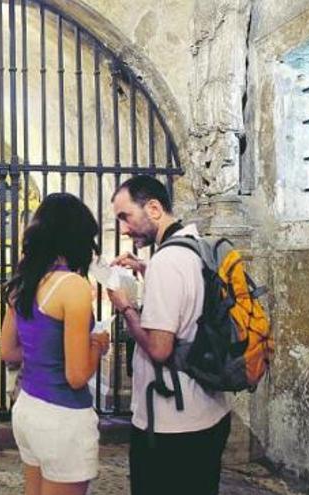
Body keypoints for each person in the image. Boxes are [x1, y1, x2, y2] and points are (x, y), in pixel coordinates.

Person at [107, 175, 231, 495]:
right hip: (209, 411)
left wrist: (126, 309)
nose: (123, 228)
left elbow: (160, 349)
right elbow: (192, 298)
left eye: (125, 216)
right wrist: (146, 269)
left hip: (173, 425)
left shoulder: (166, 261)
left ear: (153, 208)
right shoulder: (194, 246)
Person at [0, 192, 111, 495]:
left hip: (28, 408)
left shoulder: (25, 280)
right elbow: (76, 376)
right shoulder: (72, 285)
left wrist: (48, 352)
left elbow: (7, 351)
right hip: (63, 416)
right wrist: (98, 344)